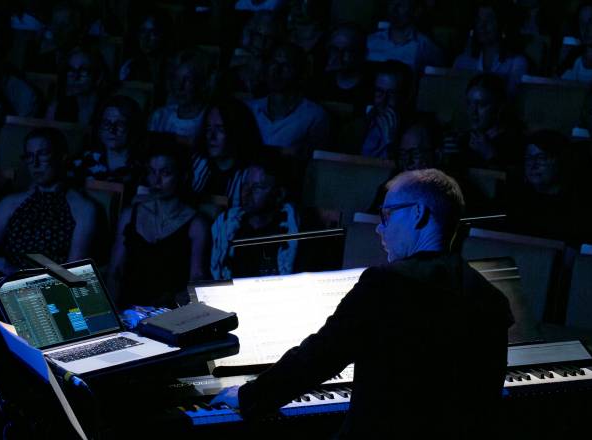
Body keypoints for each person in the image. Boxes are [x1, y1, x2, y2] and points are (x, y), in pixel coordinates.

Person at [210, 168, 513, 438]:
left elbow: (320, 356)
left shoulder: (388, 283)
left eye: (387, 215)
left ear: (418, 213)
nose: (380, 228)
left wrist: (250, 395)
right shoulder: (490, 298)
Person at [0, 127, 98, 276]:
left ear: (62, 157)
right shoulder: (11, 202)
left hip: (45, 289)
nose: (35, 163)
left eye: (43, 154)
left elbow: (72, 276)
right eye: (30, 156)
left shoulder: (82, 208)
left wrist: (17, 272)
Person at [107, 137, 211, 308]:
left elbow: (197, 280)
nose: (156, 180)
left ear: (182, 176)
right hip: (128, 307)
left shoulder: (196, 224)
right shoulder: (131, 214)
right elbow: (115, 271)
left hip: (169, 312)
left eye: (165, 173)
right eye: (152, 172)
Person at [506, 130, 592, 247]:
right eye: (529, 158)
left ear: (561, 161)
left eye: (541, 158)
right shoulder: (515, 198)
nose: (533, 164)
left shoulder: (579, 206)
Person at [210, 152, 298, 280]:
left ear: (279, 194)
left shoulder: (290, 229)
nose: (246, 192)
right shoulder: (228, 226)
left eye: (257, 187)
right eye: (245, 185)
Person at [244, 43, 329, 158]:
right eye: (274, 63)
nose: (277, 70)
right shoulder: (249, 108)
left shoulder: (314, 115)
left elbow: (315, 162)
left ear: (300, 72)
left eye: (286, 65)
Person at [68, 95, 145, 191]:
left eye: (120, 124)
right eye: (106, 123)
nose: (112, 130)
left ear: (133, 127)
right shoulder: (81, 163)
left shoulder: (145, 170)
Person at [190, 99, 262, 196]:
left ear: (238, 131)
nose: (212, 136)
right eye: (208, 128)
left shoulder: (250, 175)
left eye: (221, 129)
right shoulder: (196, 163)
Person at [453, 1, 528, 93]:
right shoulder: (462, 61)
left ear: (502, 23)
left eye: (489, 20)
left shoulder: (516, 63)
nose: (482, 26)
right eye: (479, 20)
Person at [148, 50, 210, 145]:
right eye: (176, 79)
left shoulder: (210, 120)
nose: (179, 87)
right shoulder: (160, 116)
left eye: (187, 79)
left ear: (201, 83)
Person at [366, 0, 444, 73]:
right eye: (391, 3)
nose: (394, 9)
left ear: (416, 11)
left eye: (401, 5)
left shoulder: (425, 46)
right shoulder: (370, 41)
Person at [361, 61, 413, 159]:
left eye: (391, 94)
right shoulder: (358, 126)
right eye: (379, 91)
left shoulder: (412, 133)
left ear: (405, 97)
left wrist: (390, 143)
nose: (383, 100)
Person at [45, 45, 109, 125]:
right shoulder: (56, 108)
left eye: (83, 70)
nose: (75, 76)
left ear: (98, 77)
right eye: (71, 70)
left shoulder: (108, 112)